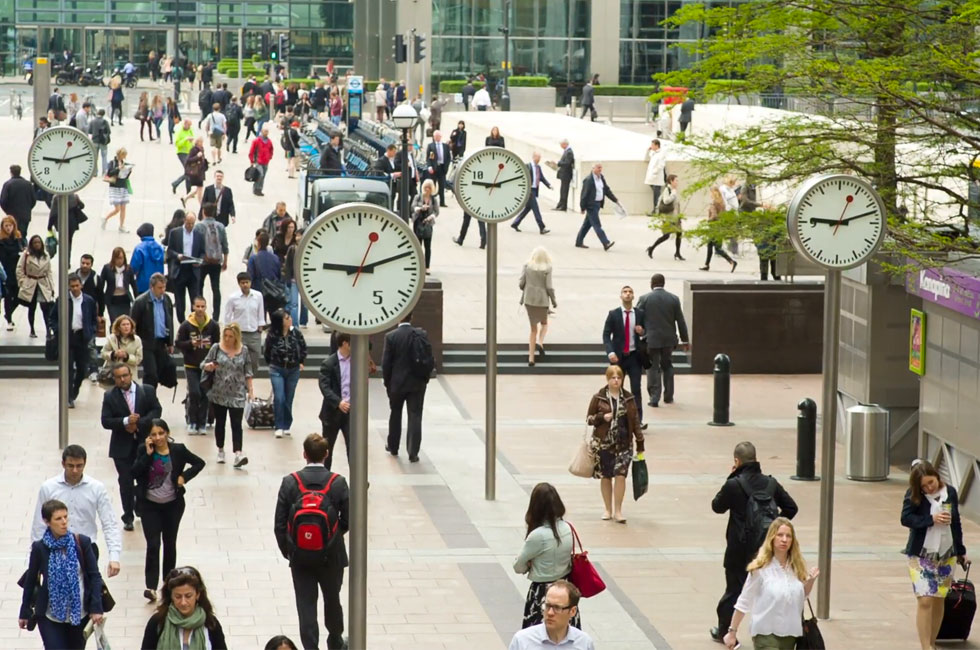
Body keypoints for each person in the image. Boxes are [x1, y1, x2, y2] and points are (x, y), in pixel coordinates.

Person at [710, 440, 799, 643]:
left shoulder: (733, 484)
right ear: (756, 459)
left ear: (736, 461)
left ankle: (726, 630)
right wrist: (773, 531)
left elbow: (717, 506)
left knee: (734, 590)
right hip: (765, 549)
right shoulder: (771, 484)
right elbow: (792, 508)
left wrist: (732, 476)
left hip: (737, 549)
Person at [274, 434, 351, 650]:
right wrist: (332, 539)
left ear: (304, 454)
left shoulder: (290, 482)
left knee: (306, 605)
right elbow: (348, 518)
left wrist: (291, 551)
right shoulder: (338, 482)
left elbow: (279, 524)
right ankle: (335, 640)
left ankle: (310, 647)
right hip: (332, 557)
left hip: (300, 558)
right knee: (332, 599)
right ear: (327, 454)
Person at [133, 419, 206, 602]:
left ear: (167, 433)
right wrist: (148, 455)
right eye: (153, 434)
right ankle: (150, 586)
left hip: (173, 505)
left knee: (169, 543)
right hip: (150, 505)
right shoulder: (144, 450)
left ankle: (168, 583)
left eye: (160, 433)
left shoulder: (178, 450)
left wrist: (184, 477)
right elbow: (134, 472)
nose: (158, 438)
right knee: (153, 545)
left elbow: (199, 463)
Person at [902, 459, 970, 650]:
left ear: (937, 477)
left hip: (946, 554)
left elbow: (956, 523)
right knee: (925, 599)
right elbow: (906, 518)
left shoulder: (951, 493)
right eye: (924, 486)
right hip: (921, 556)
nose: (929, 488)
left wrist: (961, 551)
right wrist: (930, 519)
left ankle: (931, 642)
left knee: (939, 599)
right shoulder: (914, 495)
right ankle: (926, 647)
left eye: (930, 483)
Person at [19, 499, 105, 649]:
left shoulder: (82, 543)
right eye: (58, 519)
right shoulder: (40, 548)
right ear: (47, 521)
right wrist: (24, 611)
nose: (64, 522)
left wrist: (96, 607)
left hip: (79, 614)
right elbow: (31, 580)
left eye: (66, 517)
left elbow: (94, 576)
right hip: (49, 615)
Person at [724, 518, 819, 650]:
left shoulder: (796, 567)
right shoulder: (760, 568)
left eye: (788, 536)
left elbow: (800, 597)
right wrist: (732, 631)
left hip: (790, 635)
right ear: (772, 538)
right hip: (765, 634)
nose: (784, 540)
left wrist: (810, 581)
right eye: (780, 535)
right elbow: (744, 601)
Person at [31, 445, 122, 578]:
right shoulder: (48, 487)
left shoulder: (96, 488)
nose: (75, 470)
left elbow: (109, 523)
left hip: (86, 549)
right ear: (63, 464)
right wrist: (35, 559)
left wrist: (114, 556)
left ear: (85, 464)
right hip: (55, 548)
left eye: (79, 466)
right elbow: (39, 524)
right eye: (70, 465)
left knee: (88, 592)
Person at [101, 362, 163, 531]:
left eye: (125, 375)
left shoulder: (147, 391)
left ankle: (140, 507)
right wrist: (125, 422)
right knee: (126, 482)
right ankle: (127, 515)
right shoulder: (110, 396)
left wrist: (139, 424)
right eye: (119, 377)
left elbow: (156, 410)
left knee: (144, 480)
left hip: (144, 445)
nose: (123, 379)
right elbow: (105, 421)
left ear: (131, 375)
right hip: (121, 448)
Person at [586, 365, 644, 523]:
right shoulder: (599, 397)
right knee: (606, 476)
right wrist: (601, 417)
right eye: (613, 378)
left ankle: (618, 510)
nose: (616, 381)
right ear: (608, 379)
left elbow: (635, 422)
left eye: (619, 378)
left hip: (624, 444)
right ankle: (608, 508)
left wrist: (640, 443)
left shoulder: (628, 398)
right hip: (604, 443)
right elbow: (589, 419)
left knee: (620, 475)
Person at [514, 483, 575, 628]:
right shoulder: (567, 528)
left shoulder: (538, 535)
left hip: (541, 593)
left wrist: (529, 564)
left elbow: (518, 566)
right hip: (565, 589)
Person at [202, 323, 254, 468]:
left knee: (237, 424)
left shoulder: (243, 350)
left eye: (231, 336)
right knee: (220, 422)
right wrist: (209, 366)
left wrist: (250, 390)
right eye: (225, 335)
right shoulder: (216, 348)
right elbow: (204, 363)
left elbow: (248, 371)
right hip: (219, 392)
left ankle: (238, 453)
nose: (227, 338)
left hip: (237, 393)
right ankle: (220, 449)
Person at [383, 313, 433, 462]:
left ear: (399, 318)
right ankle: (413, 452)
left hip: (397, 384)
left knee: (395, 414)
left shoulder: (391, 336)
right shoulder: (421, 334)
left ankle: (393, 446)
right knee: (415, 416)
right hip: (417, 383)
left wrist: (387, 383)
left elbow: (386, 364)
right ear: (411, 318)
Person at [140, 566, 228, 649]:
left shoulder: (211, 624)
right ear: (171, 596)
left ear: (197, 595)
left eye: (188, 596)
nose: (183, 602)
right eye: (178, 596)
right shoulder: (157, 623)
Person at [603, 285, 646, 428]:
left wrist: (642, 332)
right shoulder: (613, 314)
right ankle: (614, 416)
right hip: (618, 358)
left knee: (636, 389)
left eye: (630, 292)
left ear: (633, 296)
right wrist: (610, 352)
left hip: (634, 357)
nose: (628, 294)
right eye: (625, 292)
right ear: (621, 296)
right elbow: (606, 335)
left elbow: (646, 333)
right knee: (615, 387)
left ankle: (637, 420)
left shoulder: (640, 314)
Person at [51, 274, 97, 408]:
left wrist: (91, 330)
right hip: (68, 337)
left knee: (82, 369)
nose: (75, 288)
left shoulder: (88, 300)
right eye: (72, 286)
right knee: (68, 369)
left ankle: (75, 390)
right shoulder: (62, 300)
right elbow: (53, 317)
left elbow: (94, 318)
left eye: (77, 285)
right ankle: (69, 396)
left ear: (81, 285)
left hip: (82, 337)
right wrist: (57, 329)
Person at [507, 580, 595, 650]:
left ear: (572, 611)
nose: (550, 613)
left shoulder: (584, 643)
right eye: (547, 606)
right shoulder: (522, 641)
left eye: (557, 608)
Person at [176, 296, 220, 435]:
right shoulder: (186, 325)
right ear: (193, 307)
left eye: (203, 306)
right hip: (191, 365)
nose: (200, 309)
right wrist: (190, 344)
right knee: (194, 392)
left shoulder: (213, 325)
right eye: (197, 306)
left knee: (205, 394)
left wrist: (215, 362)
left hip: (207, 366)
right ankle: (192, 421)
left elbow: (218, 344)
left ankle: (202, 423)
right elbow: (178, 343)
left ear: (206, 307)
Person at [265, 308, 307, 438]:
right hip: (277, 368)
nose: (290, 319)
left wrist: (301, 361)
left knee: (289, 398)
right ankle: (278, 425)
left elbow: (303, 347)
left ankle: (287, 424)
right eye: (286, 318)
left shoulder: (296, 333)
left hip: (293, 369)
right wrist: (272, 363)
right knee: (279, 397)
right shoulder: (272, 335)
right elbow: (267, 351)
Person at [131, 273, 175, 388]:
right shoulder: (141, 302)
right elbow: (132, 324)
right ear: (152, 287)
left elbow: (169, 321)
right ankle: (147, 399)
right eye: (160, 288)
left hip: (161, 343)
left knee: (160, 372)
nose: (163, 290)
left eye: (164, 287)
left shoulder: (167, 300)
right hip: (146, 343)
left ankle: (150, 397)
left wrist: (170, 342)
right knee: (150, 374)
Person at [318, 331, 354, 470]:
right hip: (332, 412)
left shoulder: (356, 360)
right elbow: (324, 387)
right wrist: (338, 402)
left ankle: (358, 479)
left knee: (353, 448)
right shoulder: (328, 363)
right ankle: (325, 477)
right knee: (327, 449)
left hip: (351, 412)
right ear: (345, 343)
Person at [518, 247, 557, 367]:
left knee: (533, 329)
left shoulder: (527, 266)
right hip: (542, 300)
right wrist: (554, 301)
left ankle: (531, 358)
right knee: (544, 323)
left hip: (529, 300)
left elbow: (521, 283)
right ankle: (540, 342)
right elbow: (549, 287)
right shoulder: (548, 268)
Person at [224, 272, 265, 375]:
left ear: (250, 283)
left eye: (247, 282)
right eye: (243, 283)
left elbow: (260, 311)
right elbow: (228, 315)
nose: (245, 285)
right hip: (239, 333)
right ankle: (240, 382)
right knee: (238, 360)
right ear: (239, 284)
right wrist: (228, 330)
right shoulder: (233, 298)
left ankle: (249, 379)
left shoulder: (258, 295)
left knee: (255, 360)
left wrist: (260, 326)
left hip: (254, 333)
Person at [166, 210, 204, 323]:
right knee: (180, 302)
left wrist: (199, 261)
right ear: (184, 221)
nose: (190, 226)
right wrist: (177, 256)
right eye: (188, 223)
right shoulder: (175, 233)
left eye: (192, 223)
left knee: (195, 299)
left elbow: (202, 251)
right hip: (180, 271)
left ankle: (194, 322)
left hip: (193, 272)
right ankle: (182, 323)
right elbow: (169, 251)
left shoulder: (199, 235)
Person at [16, 234, 55, 338]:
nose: (37, 245)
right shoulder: (26, 255)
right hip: (31, 283)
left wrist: (51, 286)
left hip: (42, 283)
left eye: (38, 242)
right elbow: (19, 269)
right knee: (32, 308)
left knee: (46, 309)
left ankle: (48, 330)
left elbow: (49, 272)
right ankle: (32, 330)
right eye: (35, 243)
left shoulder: (46, 255)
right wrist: (22, 282)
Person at [575, 163, 617, 251]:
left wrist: (615, 200)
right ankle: (605, 242)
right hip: (591, 205)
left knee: (587, 224)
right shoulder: (588, 180)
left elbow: (606, 190)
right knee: (597, 224)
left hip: (597, 204)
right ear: (593, 168)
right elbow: (584, 195)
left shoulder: (601, 178)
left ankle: (579, 242)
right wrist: (582, 207)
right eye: (598, 168)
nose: (600, 169)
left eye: (601, 168)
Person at [511, 152, 552, 234]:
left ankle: (515, 223)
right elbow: (523, 178)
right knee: (536, 209)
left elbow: (541, 178)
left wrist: (548, 185)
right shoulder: (527, 166)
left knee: (527, 209)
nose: (539, 159)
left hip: (534, 190)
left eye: (540, 158)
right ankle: (542, 227)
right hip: (529, 191)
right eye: (538, 157)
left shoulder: (538, 167)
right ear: (533, 157)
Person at [646, 174, 684, 261]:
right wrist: (673, 194)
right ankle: (651, 248)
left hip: (675, 217)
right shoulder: (668, 190)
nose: (677, 182)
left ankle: (677, 253)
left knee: (679, 233)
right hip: (668, 217)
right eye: (676, 180)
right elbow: (666, 201)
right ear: (671, 181)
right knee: (666, 236)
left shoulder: (673, 190)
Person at [700, 186, 738, 272]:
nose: (710, 194)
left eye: (711, 192)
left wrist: (709, 220)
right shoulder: (722, 203)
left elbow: (714, 215)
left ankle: (732, 261)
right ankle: (707, 264)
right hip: (720, 227)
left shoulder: (714, 203)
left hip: (714, 227)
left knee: (717, 248)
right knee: (711, 245)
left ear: (714, 193)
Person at [99, 247, 137, 324]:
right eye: (117, 258)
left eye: (121, 258)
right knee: (115, 321)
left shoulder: (128, 269)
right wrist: (101, 300)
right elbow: (101, 285)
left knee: (125, 321)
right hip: (112, 300)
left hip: (124, 299)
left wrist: (137, 299)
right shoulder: (107, 268)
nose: (119, 261)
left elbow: (134, 285)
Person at [0, 215, 24, 329]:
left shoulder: (17, 237)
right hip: (7, 271)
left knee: (19, 296)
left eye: (10, 225)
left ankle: (8, 314)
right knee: (8, 297)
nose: (8, 228)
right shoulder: (1, 240)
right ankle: (9, 318)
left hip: (18, 271)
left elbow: (22, 248)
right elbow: (3, 257)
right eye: (6, 226)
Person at [101, 313, 142, 377]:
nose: (126, 327)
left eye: (128, 324)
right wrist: (113, 354)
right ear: (118, 327)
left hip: (130, 374)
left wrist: (127, 356)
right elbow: (103, 353)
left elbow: (138, 359)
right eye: (123, 325)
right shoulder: (111, 338)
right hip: (113, 374)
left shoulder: (137, 340)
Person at [101, 148, 132, 233]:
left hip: (123, 185)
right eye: (123, 155)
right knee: (117, 209)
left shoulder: (124, 163)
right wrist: (118, 168)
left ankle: (121, 226)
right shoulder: (112, 163)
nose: (124, 157)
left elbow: (126, 176)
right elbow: (109, 173)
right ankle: (105, 218)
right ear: (120, 154)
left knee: (123, 208)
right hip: (115, 186)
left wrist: (128, 171)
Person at [412, 180, 439, 273]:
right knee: (418, 245)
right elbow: (413, 207)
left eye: (429, 187)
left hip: (428, 223)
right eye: (426, 187)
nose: (427, 189)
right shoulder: (418, 197)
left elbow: (436, 211)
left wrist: (431, 217)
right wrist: (420, 208)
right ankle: (418, 265)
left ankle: (427, 266)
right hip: (418, 222)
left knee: (428, 246)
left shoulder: (433, 199)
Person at [0, 164, 36, 234]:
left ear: (11, 172)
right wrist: (27, 209)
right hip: (25, 216)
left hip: (12, 216)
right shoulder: (28, 184)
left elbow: (3, 201)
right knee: (22, 235)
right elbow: (33, 200)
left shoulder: (8, 184)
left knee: (12, 236)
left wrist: (8, 212)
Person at [131, 223, 166, 295]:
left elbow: (133, 267)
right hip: (158, 284)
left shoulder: (139, 248)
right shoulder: (160, 248)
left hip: (143, 284)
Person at [425, 130, 452, 207]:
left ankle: (442, 202)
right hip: (434, 168)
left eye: (438, 136)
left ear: (441, 137)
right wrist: (429, 166)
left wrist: (446, 166)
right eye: (435, 136)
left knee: (442, 186)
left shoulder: (445, 146)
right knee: (432, 186)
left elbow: (448, 158)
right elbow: (429, 158)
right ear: (434, 137)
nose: (437, 138)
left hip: (442, 168)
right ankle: (432, 202)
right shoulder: (431, 146)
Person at [181, 137, 208, 207]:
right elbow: (189, 160)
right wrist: (197, 156)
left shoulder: (201, 149)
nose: (202, 143)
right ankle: (201, 205)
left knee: (199, 189)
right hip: (196, 173)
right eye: (201, 142)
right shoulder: (194, 149)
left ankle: (185, 198)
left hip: (200, 172)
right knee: (200, 190)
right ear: (197, 142)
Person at [170, 118, 195, 194]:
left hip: (189, 152)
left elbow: (192, 137)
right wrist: (185, 139)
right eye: (188, 125)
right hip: (182, 153)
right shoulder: (179, 131)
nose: (189, 127)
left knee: (188, 172)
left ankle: (176, 184)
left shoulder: (190, 130)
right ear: (185, 124)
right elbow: (177, 144)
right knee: (189, 171)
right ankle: (188, 190)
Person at [248, 125, 274, 196]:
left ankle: (259, 189)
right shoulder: (256, 141)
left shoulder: (269, 141)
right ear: (261, 131)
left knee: (263, 176)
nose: (266, 133)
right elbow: (251, 151)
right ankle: (256, 188)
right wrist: (252, 161)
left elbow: (271, 149)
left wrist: (270, 157)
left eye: (267, 131)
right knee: (260, 174)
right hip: (258, 161)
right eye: (265, 131)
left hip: (266, 161)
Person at [644, 139, 667, 209]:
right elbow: (646, 159)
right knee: (656, 193)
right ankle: (657, 208)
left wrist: (654, 172)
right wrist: (648, 150)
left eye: (652, 145)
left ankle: (656, 209)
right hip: (652, 177)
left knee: (656, 194)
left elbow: (661, 165)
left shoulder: (661, 154)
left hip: (657, 177)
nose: (651, 146)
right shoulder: (653, 153)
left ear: (657, 145)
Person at [88, 109, 112, 174]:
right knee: (104, 157)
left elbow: (89, 131)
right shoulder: (105, 121)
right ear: (103, 114)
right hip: (103, 142)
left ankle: (95, 172)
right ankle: (104, 172)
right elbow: (109, 131)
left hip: (95, 141)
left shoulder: (92, 121)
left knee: (95, 157)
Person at [554, 139, 575, 211]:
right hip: (564, 174)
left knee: (564, 190)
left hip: (566, 174)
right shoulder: (566, 151)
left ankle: (563, 206)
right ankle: (560, 204)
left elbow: (567, 163)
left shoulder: (569, 152)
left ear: (565, 144)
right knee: (562, 190)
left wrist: (559, 163)